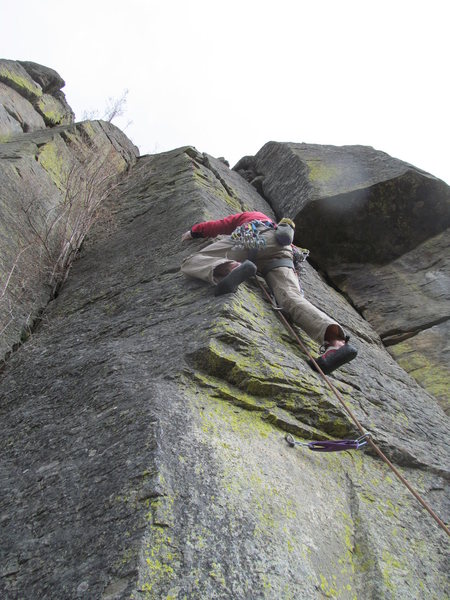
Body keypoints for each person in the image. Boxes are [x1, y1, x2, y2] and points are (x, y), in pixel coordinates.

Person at [181, 211, 357, 375]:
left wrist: (194, 232)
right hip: (284, 252)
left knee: (192, 261)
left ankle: (231, 267)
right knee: (290, 298)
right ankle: (336, 343)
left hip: (254, 238)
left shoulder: (250, 216)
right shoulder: (281, 232)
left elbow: (220, 225)